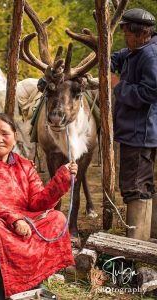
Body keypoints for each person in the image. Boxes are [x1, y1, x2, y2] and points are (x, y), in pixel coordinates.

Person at [0, 113, 77, 299]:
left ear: (15, 137)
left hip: (25, 218)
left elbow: (37, 201)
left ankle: (34, 281)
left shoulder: (24, 165)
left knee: (57, 218)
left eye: (5, 134)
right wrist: (13, 218)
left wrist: (62, 179)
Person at [111, 8, 157, 241]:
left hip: (140, 132)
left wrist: (118, 86)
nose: (124, 37)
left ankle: (137, 247)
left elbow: (151, 91)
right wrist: (108, 62)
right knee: (144, 185)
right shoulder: (137, 50)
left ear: (140, 33)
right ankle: (150, 237)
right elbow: (118, 56)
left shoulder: (150, 56)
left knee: (135, 187)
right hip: (140, 131)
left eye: (127, 32)